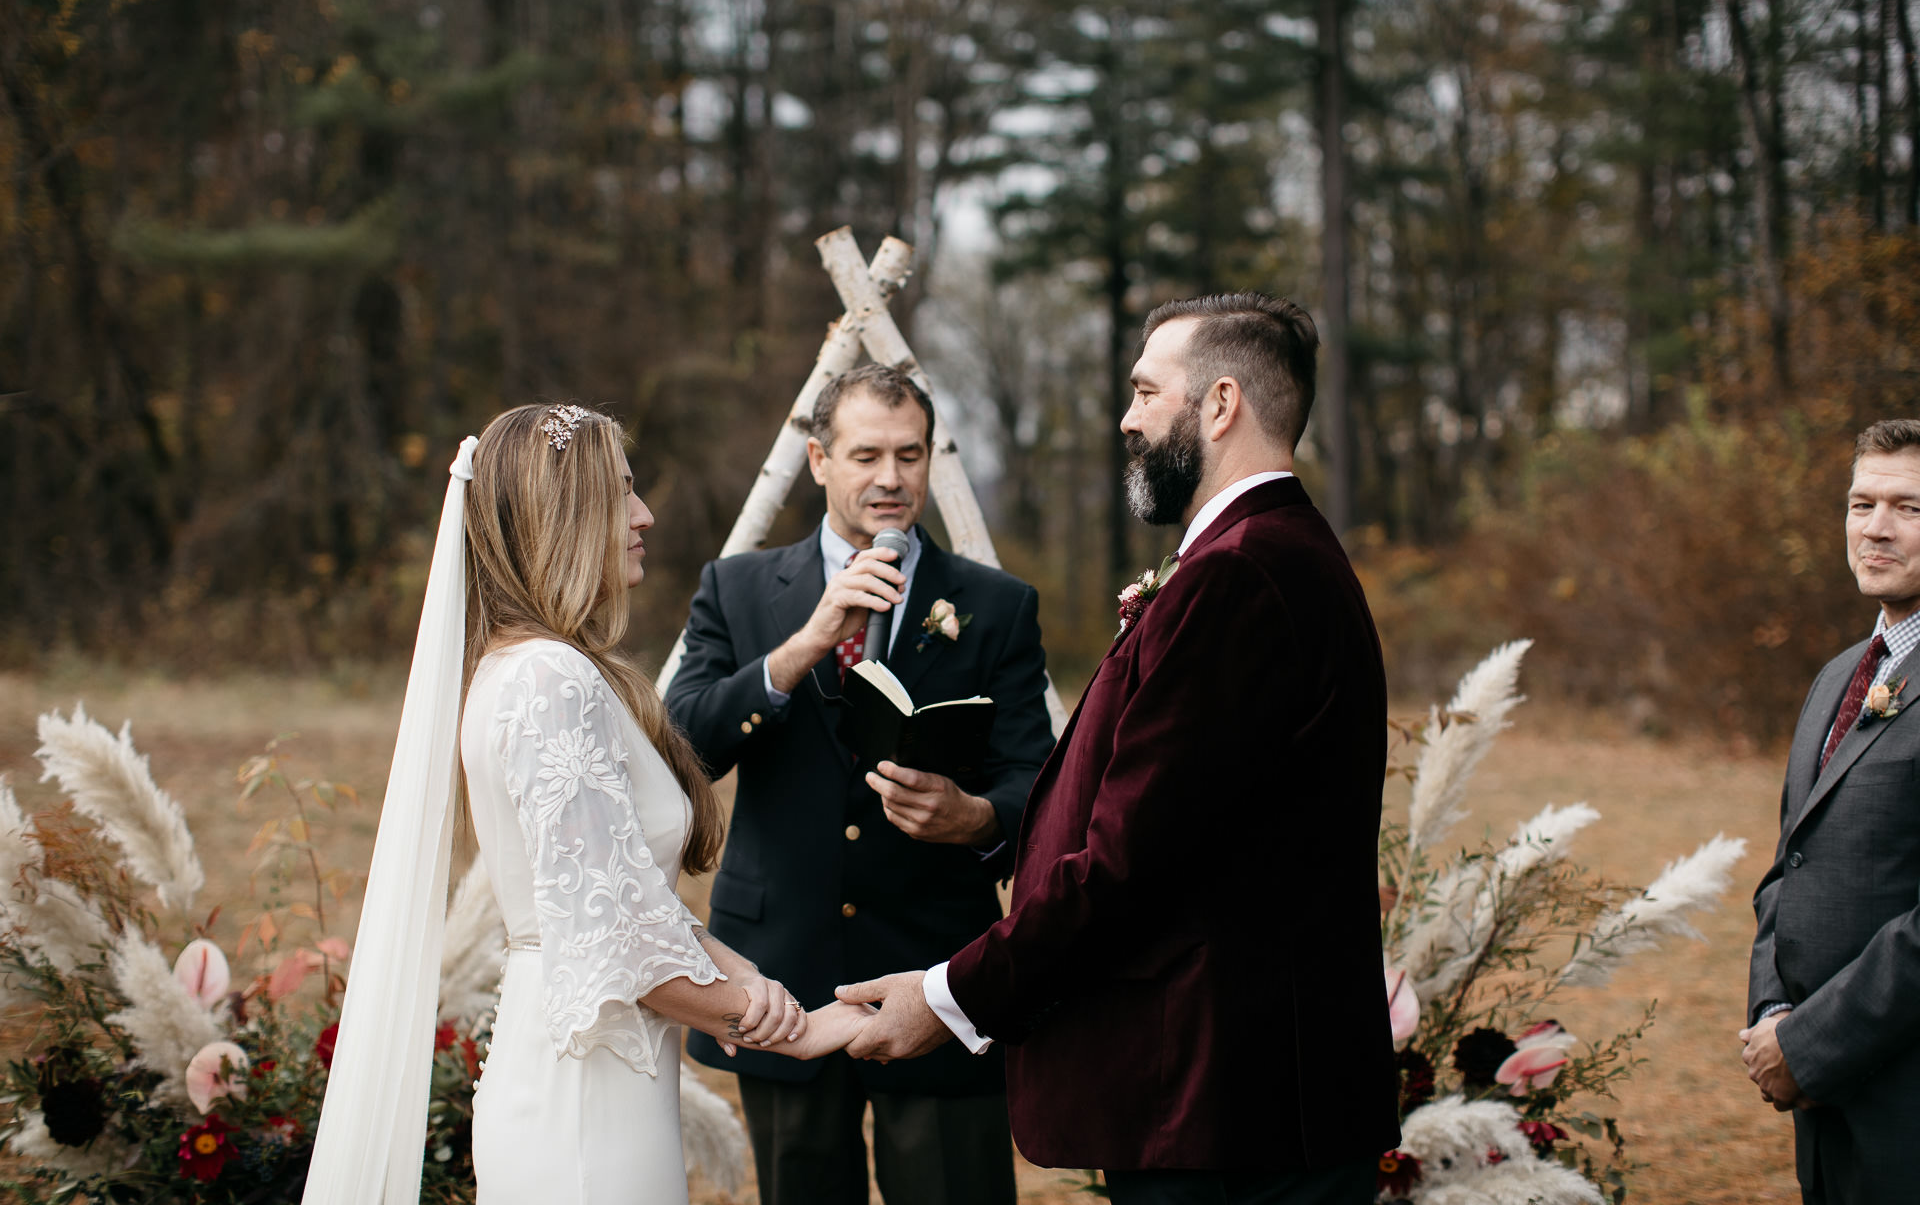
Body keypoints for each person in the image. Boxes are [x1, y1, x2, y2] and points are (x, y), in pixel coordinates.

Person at [835, 295, 1402, 1205]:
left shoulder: (1243, 577)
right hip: (1241, 1101)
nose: (1126, 417)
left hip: (1228, 1108)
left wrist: (950, 997)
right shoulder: (1266, 556)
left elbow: (1131, 861)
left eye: (1145, 391)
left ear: (1220, 406)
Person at [304, 404, 872, 1205]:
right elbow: (612, 945)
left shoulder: (550, 669)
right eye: (622, 493)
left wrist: (751, 978)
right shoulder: (547, 681)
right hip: (581, 1106)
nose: (645, 515)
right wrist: (786, 1024)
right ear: (563, 515)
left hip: (608, 1077)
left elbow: (630, 901)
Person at [666, 362, 1056, 1205]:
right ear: (818, 460)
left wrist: (977, 817)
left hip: (936, 970)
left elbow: (1041, 782)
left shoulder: (995, 604)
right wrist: (802, 645)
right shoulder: (735, 590)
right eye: (867, 454)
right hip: (779, 972)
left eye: (910, 456)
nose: (890, 478)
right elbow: (682, 747)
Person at [1744, 418, 1920, 1205]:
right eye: (1861, 503)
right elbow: (1789, 865)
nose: (1876, 528)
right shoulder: (1837, 678)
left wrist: (1812, 1046)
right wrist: (1775, 1015)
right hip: (1823, 1110)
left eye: (1909, 508)